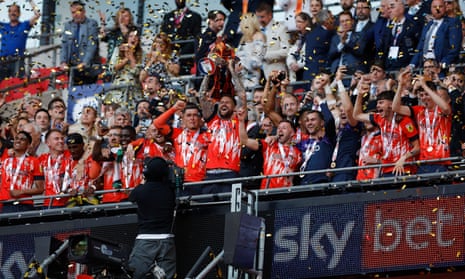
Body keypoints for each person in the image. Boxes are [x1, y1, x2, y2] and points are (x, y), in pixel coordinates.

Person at [392, 69, 452, 173]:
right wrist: (400, 85)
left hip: (441, 161)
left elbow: (446, 109)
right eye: (421, 95)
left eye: (426, 94)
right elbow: (395, 108)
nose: (424, 98)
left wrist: (425, 86)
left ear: (434, 93)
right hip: (423, 163)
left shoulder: (442, 110)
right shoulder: (418, 111)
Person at [353, 87, 420, 177]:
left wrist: (403, 158)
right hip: (386, 169)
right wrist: (360, 95)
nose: (377, 106)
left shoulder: (404, 121)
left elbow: (417, 147)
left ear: (391, 104)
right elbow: (357, 115)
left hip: (404, 169)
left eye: (381, 102)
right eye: (377, 103)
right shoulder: (379, 119)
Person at [128, 156, 176, 279]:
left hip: (145, 240)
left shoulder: (141, 191)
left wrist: (144, 180)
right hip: (166, 240)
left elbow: (131, 197)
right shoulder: (170, 190)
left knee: (135, 274)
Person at [154, 101, 209, 195]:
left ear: (200, 118)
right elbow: (158, 123)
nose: (192, 118)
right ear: (182, 118)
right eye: (188, 115)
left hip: (201, 181)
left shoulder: (207, 135)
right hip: (180, 181)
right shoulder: (177, 134)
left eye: (195, 115)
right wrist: (173, 109)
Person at [239, 109, 302, 189]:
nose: (280, 130)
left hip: (287, 192)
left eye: (284, 128)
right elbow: (244, 140)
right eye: (278, 128)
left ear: (292, 133)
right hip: (267, 191)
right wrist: (241, 122)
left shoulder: (298, 153)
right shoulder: (269, 145)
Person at [410, 0, 462, 69]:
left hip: (442, 67)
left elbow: (455, 47)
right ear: (431, 9)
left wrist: (444, 63)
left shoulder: (453, 22)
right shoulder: (427, 25)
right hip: (425, 66)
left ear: (445, 8)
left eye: (440, 7)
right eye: (434, 7)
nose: (437, 9)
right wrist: (411, 65)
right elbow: (420, 48)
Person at [0, 131, 44, 213]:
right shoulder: (5, 158)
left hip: (24, 203)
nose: (18, 141)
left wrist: (21, 191)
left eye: (22, 139)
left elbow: (40, 189)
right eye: (16, 138)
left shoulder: (34, 161)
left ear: (28, 144)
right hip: (5, 204)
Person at [60, 1, 101, 85]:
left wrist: (85, 62)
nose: (75, 14)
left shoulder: (91, 24)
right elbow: (64, 45)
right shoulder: (68, 25)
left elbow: (92, 45)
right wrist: (63, 61)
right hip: (72, 67)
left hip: (88, 68)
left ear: (84, 12)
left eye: (78, 11)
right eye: (73, 12)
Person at [377, 0, 421, 71]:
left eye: (392, 7)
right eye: (388, 8)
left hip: (406, 68)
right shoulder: (388, 28)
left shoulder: (413, 25)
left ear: (402, 7)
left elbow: (418, 48)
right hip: (389, 67)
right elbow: (382, 49)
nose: (389, 11)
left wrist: (411, 65)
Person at [0, 2, 40, 80]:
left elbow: (37, 14)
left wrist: (30, 1)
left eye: (15, 11)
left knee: (17, 86)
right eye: (10, 11)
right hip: (3, 60)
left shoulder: (24, 25)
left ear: (19, 13)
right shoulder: (3, 26)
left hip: (17, 60)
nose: (12, 13)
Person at [161, 0, 201, 75]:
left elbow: (196, 37)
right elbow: (163, 34)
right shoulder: (168, 16)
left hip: (186, 55)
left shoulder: (195, 17)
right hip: (170, 53)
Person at [108, 26, 143, 105]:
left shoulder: (142, 53)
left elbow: (137, 72)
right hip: (119, 89)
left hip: (134, 89)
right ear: (127, 39)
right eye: (131, 36)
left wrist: (131, 57)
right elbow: (112, 69)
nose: (133, 39)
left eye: (136, 37)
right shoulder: (118, 50)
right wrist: (125, 59)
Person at [39, 130, 73, 208]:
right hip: (48, 203)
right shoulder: (42, 159)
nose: (61, 141)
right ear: (48, 143)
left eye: (62, 138)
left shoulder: (71, 155)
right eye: (56, 139)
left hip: (69, 202)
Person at [256, 2, 290, 79]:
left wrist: (264, 55)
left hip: (275, 73)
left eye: (262, 17)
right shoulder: (256, 31)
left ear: (270, 15)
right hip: (257, 75)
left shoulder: (281, 29)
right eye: (258, 17)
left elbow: (286, 51)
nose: (260, 20)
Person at [235, 13, 266, 92]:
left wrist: (243, 66)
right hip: (240, 78)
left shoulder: (259, 36)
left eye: (242, 22)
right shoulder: (243, 39)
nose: (240, 24)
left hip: (252, 78)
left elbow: (256, 61)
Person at [287, 12, 311, 82]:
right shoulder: (296, 36)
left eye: (299, 22)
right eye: (296, 22)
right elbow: (290, 54)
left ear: (306, 22)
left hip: (306, 72)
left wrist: (299, 65)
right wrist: (291, 63)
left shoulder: (311, 36)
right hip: (295, 74)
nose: (297, 24)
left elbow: (310, 55)